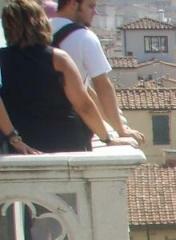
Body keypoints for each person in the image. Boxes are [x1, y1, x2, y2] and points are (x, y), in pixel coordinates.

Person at [0, 0, 136, 153]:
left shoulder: (2, 59)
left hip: (21, 143)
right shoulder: (59, 59)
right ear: (39, 22)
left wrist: (13, 137)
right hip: (64, 140)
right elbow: (83, 105)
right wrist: (108, 138)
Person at [51, 0, 143, 142]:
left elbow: (86, 89)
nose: (95, 12)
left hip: (30, 124)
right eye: (90, 6)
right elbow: (102, 86)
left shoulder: (38, 32)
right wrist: (120, 130)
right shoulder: (84, 37)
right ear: (73, 4)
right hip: (69, 127)